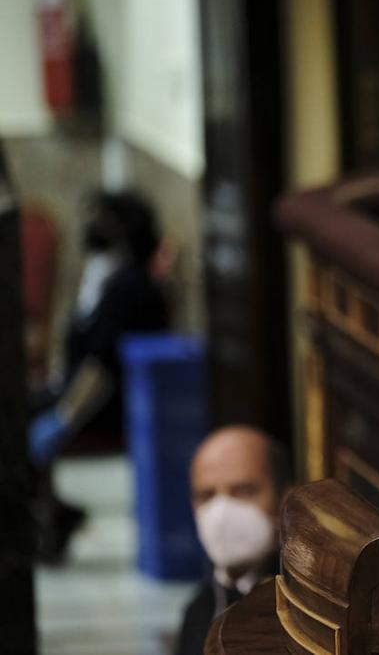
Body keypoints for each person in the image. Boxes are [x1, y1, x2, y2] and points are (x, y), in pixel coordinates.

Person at [28, 189, 169, 560]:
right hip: (81, 391)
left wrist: (62, 417)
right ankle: (53, 512)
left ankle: (49, 519)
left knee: (20, 427)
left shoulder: (129, 288)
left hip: (107, 404)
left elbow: (102, 367)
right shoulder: (104, 276)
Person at [176, 425, 290, 655]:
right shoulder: (198, 612)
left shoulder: (309, 606)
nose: (222, 513)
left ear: (284, 499)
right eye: (207, 496)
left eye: (243, 491)